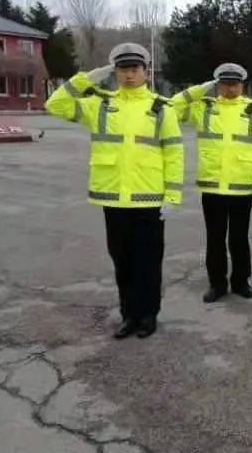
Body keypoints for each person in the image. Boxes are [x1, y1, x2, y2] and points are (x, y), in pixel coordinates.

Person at [45, 43, 184, 339]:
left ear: (146, 71)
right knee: (122, 262)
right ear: (115, 72)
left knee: (149, 262)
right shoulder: (101, 104)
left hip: (149, 200)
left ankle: (148, 315)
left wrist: (172, 195)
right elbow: (55, 105)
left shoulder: (161, 107)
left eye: (134, 69)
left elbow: (173, 153)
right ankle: (129, 315)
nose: (129, 74)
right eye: (123, 69)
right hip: (114, 199)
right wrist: (87, 78)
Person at [170, 63, 252, 303]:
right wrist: (200, 89)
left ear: (242, 85)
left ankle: (241, 282)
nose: (230, 89)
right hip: (213, 185)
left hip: (242, 186)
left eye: (235, 84)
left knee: (239, 238)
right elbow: (171, 108)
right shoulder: (204, 108)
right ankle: (217, 284)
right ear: (218, 85)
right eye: (225, 84)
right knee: (215, 238)